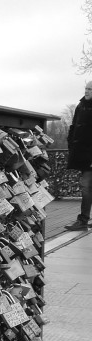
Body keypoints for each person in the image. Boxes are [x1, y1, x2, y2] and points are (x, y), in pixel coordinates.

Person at [66, 79, 92, 229]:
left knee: (86, 186)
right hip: (83, 154)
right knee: (87, 186)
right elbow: (74, 127)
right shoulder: (80, 106)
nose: (86, 91)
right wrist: (71, 143)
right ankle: (84, 219)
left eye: (90, 89)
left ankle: (83, 220)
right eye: (86, 88)